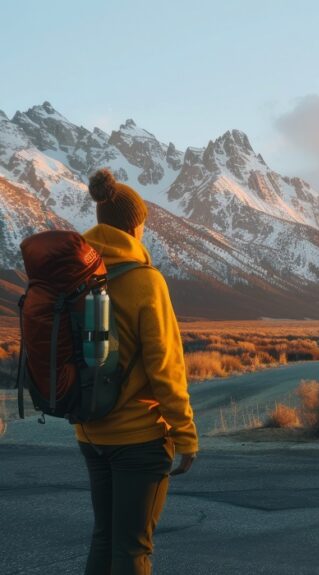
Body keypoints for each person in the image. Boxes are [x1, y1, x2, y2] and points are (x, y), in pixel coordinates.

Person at [76, 168, 199, 575]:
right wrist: (185, 435)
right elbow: (164, 368)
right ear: (134, 226)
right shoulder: (146, 281)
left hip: (90, 431)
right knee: (133, 550)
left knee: (104, 538)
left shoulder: (79, 276)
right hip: (140, 438)